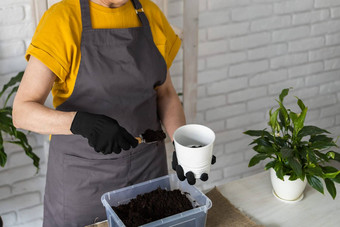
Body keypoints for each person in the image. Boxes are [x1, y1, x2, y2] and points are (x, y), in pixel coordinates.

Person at [12, 0, 186, 226]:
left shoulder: (149, 12)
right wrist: (81, 123)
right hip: (84, 180)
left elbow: (166, 94)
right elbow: (22, 111)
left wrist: (183, 145)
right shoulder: (62, 19)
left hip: (148, 169)